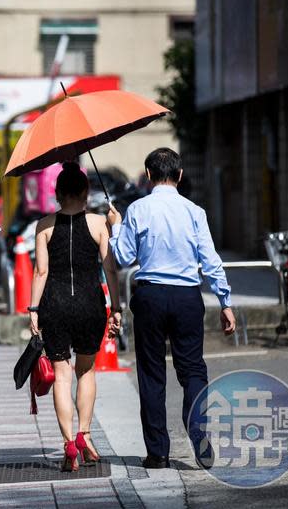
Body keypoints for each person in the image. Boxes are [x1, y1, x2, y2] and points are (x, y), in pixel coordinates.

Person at [107, 147, 236, 470]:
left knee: (152, 374)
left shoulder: (137, 209)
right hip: (187, 296)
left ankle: (158, 452)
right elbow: (210, 260)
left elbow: (122, 258)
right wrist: (225, 301)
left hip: (150, 295)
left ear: (148, 175)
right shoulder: (195, 211)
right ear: (179, 175)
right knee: (192, 369)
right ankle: (198, 427)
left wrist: (116, 227)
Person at [28, 161, 122, 472]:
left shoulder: (44, 226)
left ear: (56, 193)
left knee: (62, 375)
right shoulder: (98, 224)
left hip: (54, 303)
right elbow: (110, 269)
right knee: (86, 371)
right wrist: (117, 306)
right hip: (89, 304)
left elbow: (41, 271)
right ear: (85, 192)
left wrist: (33, 310)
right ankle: (85, 435)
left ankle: (68, 443)